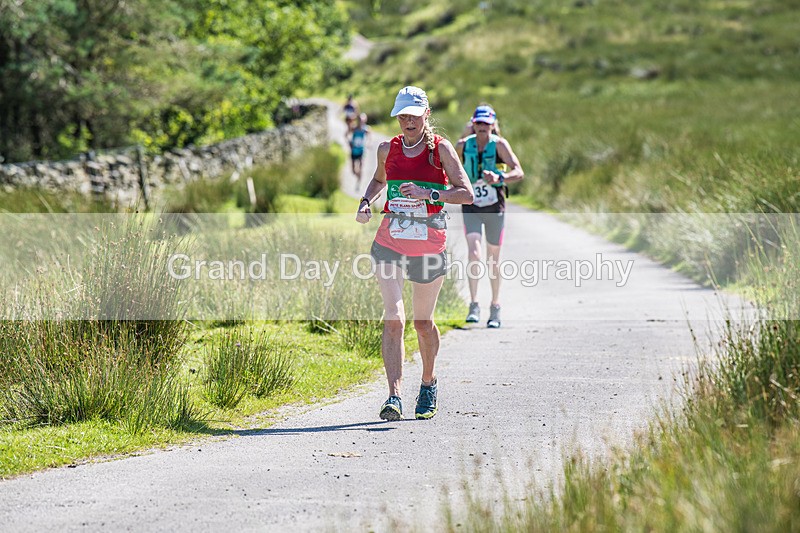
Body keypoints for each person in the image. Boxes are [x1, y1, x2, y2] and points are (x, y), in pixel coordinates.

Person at [356, 86, 474, 421]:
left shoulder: (441, 149)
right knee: (394, 318)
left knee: (423, 323)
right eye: (402, 115)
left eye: (414, 114)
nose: (408, 120)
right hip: (390, 241)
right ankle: (393, 397)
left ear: (427, 115)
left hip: (429, 245)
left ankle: (428, 381)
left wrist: (429, 192)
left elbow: (466, 194)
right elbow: (379, 181)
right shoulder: (386, 149)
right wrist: (366, 202)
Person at [456, 104, 524, 329]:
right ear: (473, 124)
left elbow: (518, 172)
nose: (482, 127)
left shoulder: (500, 145)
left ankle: (495, 306)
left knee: (493, 258)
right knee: (474, 253)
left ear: (493, 125)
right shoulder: (464, 145)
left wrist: (499, 177)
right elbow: (450, 166)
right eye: (478, 123)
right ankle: (474, 304)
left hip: (494, 205)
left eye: (486, 123)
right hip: (472, 205)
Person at [347, 113, 370, 189]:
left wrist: (368, 144)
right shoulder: (354, 128)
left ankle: (358, 183)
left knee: (360, 167)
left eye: (363, 121)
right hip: (354, 151)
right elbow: (346, 134)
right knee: (353, 170)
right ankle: (358, 176)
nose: (361, 122)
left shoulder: (366, 129)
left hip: (361, 150)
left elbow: (370, 138)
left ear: (365, 121)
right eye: (360, 120)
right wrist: (349, 142)